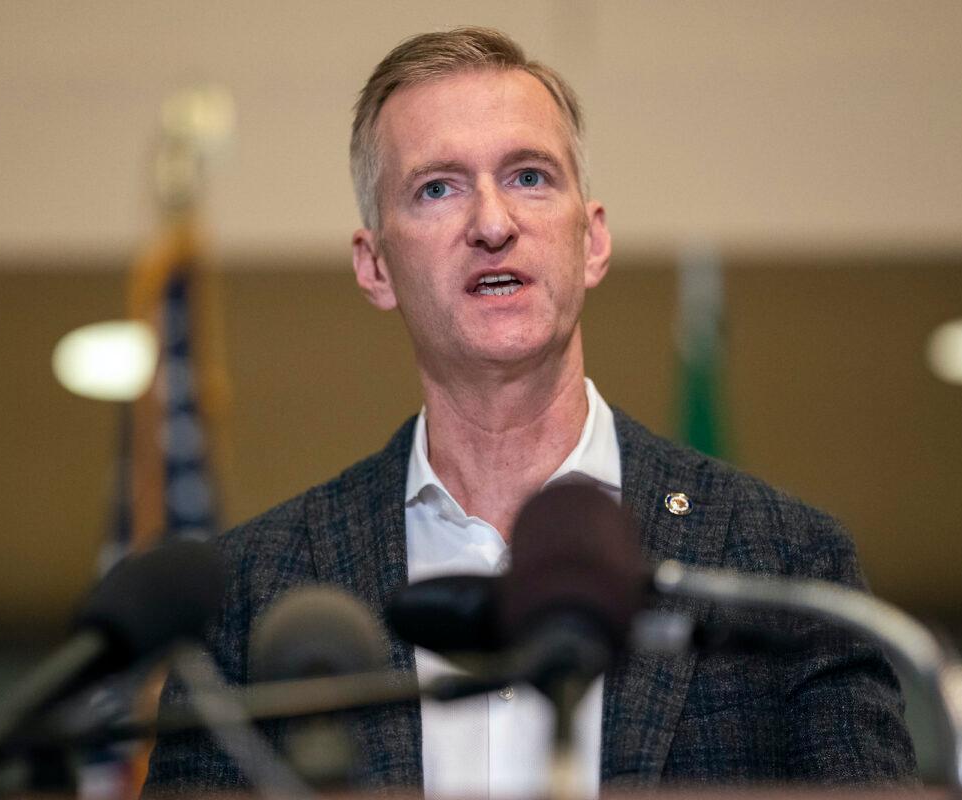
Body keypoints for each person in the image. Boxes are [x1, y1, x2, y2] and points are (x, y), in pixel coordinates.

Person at [144, 26, 916, 797]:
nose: (491, 223)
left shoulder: (781, 564)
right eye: (437, 188)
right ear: (375, 265)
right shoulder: (251, 596)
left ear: (593, 240)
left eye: (530, 177)